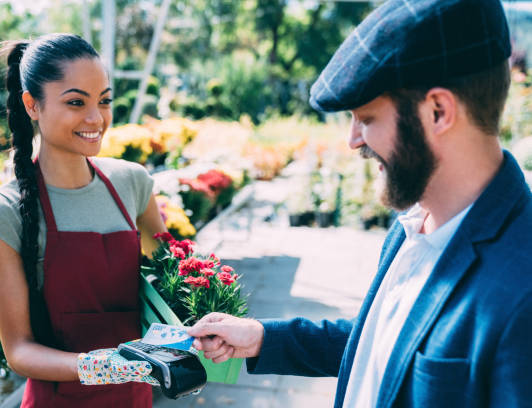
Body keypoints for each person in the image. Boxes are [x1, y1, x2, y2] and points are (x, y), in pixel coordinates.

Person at [188, 0, 532, 407]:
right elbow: (386, 341)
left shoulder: (521, 292)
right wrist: (264, 338)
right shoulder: (413, 222)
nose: (353, 141)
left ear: (438, 111)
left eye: (366, 118)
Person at [0, 33, 167, 407]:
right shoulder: (3, 211)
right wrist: (103, 366)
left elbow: (172, 282)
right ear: (32, 105)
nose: (96, 118)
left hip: (134, 397)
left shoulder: (133, 182)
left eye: (105, 101)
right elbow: (18, 351)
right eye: (76, 102)